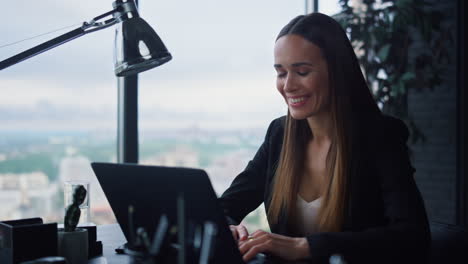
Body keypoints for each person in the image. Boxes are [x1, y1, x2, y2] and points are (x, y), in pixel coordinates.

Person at [218, 13, 430, 264]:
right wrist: (229, 228)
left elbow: (412, 237)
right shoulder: (280, 135)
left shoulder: (380, 136)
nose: (288, 86)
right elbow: (226, 208)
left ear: (337, 72)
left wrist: (306, 247)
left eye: (302, 72)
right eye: (281, 73)